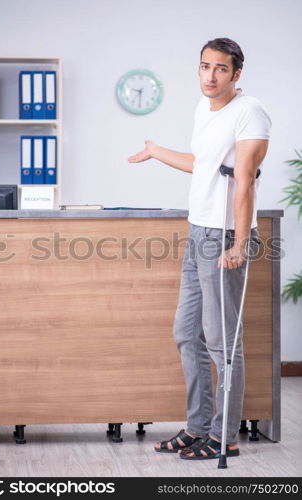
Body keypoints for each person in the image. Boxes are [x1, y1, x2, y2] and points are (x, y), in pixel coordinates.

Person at [128, 37, 271, 461]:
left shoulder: (249, 112)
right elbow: (202, 163)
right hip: (197, 232)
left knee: (222, 343)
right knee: (186, 334)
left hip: (224, 237)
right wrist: (156, 152)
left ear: (237, 73)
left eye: (221, 69)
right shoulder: (203, 109)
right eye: (205, 67)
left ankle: (224, 435)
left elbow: (243, 180)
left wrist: (241, 242)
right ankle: (198, 427)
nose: (211, 76)